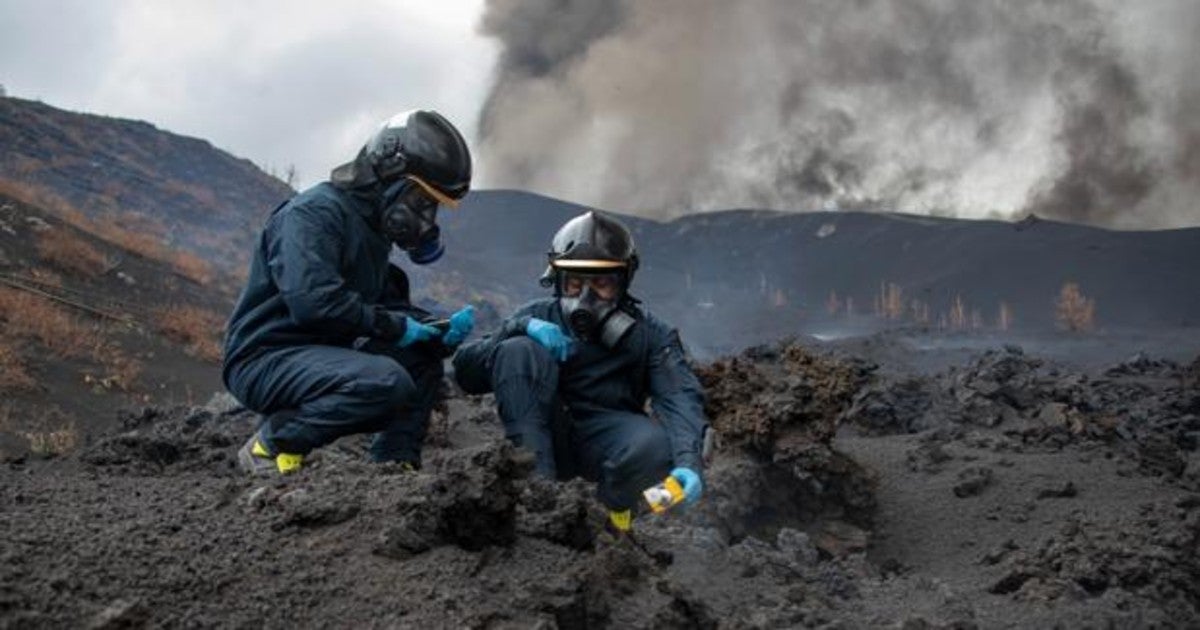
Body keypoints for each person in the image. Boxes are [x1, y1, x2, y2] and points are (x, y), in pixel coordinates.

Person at [223, 109, 475, 475]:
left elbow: (384, 308)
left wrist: (434, 329)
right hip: (266, 357)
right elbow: (314, 303)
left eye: (431, 206)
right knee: (385, 382)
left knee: (420, 357)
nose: (425, 216)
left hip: (318, 354)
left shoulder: (371, 233)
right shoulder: (313, 215)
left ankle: (394, 466)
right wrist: (395, 327)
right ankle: (272, 445)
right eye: (420, 200)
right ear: (389, 171)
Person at [452, 210, 710, 533]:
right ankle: (537, 503)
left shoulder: (651, 335)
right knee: (517, 349)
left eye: (601, 283)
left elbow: (679, 398)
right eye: (575, 282)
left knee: (658, 448)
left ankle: (620, 526)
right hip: (541, 434)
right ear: (558, 280)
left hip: (611, 442)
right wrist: (517, 329)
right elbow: (464, 373)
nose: (586, 297)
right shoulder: (536, 316)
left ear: (623, 282)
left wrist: (689, 463)